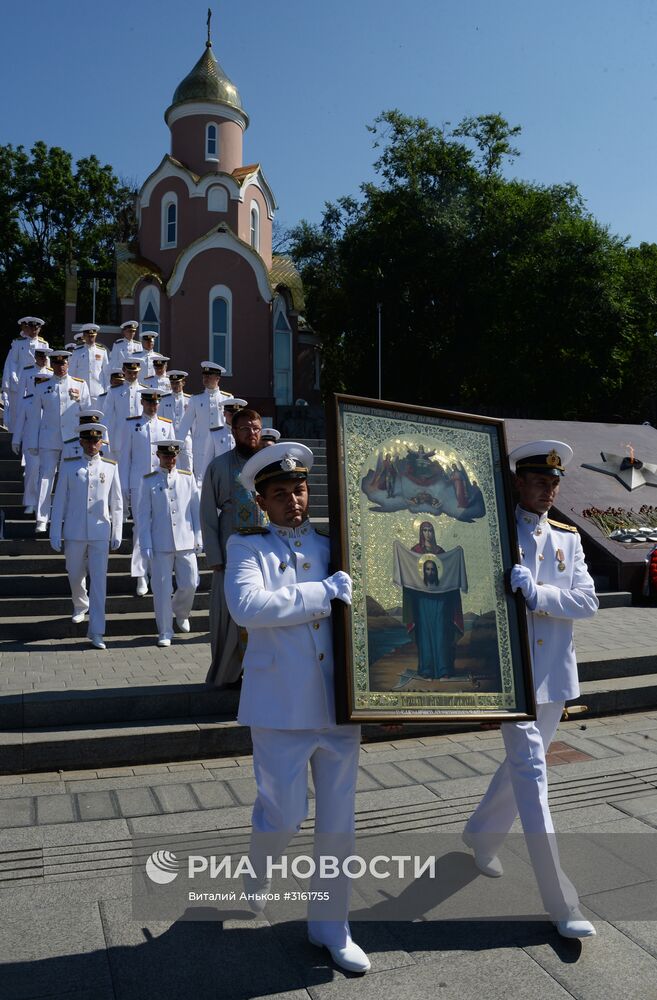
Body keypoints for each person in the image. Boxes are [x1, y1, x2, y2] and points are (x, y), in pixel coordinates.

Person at [224, 442, 369, 974]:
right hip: (279, 706)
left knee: (338, 822)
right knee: (284, 814)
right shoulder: (247, 548)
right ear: (262, 502)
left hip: (338, 706)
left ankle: (331, 925)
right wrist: (321, 594)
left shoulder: (338, 546)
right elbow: (248, 607)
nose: (294, 501)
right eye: (280, 494)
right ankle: (260, 862)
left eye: (299, 490)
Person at [462, 439, 599, 939]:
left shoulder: (567, 537)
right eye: (539, 481)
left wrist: (537, 594)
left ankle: (480, 833)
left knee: (523, 765)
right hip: (509, 675)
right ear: (518, 482)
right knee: (533, 775)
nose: (548, 490)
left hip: (554, 677)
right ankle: (562, 901)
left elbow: (586, 603)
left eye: (554, 483)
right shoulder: (491, 533)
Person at [200, 408, 265, 686]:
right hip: (230, 553)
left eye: (256, 428)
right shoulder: (219, 466)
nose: (252, 434)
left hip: (265, 552)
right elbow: (206, 512)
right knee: (229, 617)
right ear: (234, 432)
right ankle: (228, 673)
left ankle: (261, 671)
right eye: (246, 429)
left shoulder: (269, 464)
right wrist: (214, 554)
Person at [49, 423, 122, 650]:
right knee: (74, 571)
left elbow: (117, 503)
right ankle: (80, 603)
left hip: (100, 531)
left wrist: (117, 530)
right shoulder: (70, 466)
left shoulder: (110, 466)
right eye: (88, 441)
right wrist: (55, 530)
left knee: (99, 581)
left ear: (102, 442)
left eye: (96, 441)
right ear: (81, 442)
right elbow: (59, 499)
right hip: (74, 530)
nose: (92, 445)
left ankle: (97, 631)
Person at [139, 441, 202, 647]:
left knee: (191, 583)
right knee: (162, 589)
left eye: (173, 456)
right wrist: (145, 543)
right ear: (158, 455)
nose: (170, 460)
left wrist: (199, 537)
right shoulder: (149, 480)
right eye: (166, 456)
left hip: (185, 539)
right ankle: (165, 631)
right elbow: (143, 515)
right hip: (160, 542)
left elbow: (195, 510)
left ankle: (181, 611)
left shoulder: (187, 477)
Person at [24, 349, 91, 532]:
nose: (60, 367)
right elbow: (35, 418)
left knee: (73, 477)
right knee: (45, 477)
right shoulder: (42, 386)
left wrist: (85, 438)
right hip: (48, 438)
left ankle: (71, 516)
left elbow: (87, 413)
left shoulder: (80, 384)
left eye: (63, 363)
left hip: (73, 439)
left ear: (68, 364)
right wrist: (32, 442)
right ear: (51, 364)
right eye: (57, 364)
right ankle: (42, 518)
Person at [119, 389, 175, 595]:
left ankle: (155, 570)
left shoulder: (166, 426)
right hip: (139, 483)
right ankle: (140, 575)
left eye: (156, 403)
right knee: (140, 529)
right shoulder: (131, 425)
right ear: (142, 402)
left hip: (161, 483)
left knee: (160, 526)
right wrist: (123, 485)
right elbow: (125, 457)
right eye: (149, 403)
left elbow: (174, 458)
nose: (153, 406)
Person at [177, 361, 233, 484]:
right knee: (201, 482)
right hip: (200, 448)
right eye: (204, 376)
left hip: (221, 447)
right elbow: (185, 424)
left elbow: (232, 425)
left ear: (217, 378)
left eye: (209, 376)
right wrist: (178, 445)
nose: (205, 378)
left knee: (222, 480)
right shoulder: (196, 399)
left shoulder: (227, 399)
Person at [11, 371, 53, 515]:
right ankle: (30, 502)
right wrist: (16, 440)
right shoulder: (26, 400)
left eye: (42, 383)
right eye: (37, 383)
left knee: (46, 475)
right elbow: (20, 422)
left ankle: (41, 505)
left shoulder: (52, 399)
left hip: (49, 442)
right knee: (31, 472)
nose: (39, 386)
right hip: (31, 443)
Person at [2, 317, 48, 432]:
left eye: (36, 328)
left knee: (37, 411)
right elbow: (12, 361)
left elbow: (47, 365)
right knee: (17, 411)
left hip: (37, 382)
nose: (33, 331)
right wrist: (13, 376)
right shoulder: (18, 343)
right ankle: (14, 436)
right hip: (19, 381)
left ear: (39, 329)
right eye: (31, 328)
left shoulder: (43, 344)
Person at [68, 323, 110, 404]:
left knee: (97, 416)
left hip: (98, 391)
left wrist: (106, 390)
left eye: (92, 336)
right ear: (84, 336)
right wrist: (72, 388)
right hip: (80, 390)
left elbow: (106, 372)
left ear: (96, 335)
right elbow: (72, 372)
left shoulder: (102, 351)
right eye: (88, 336)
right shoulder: (77, 352)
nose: (90, 338)